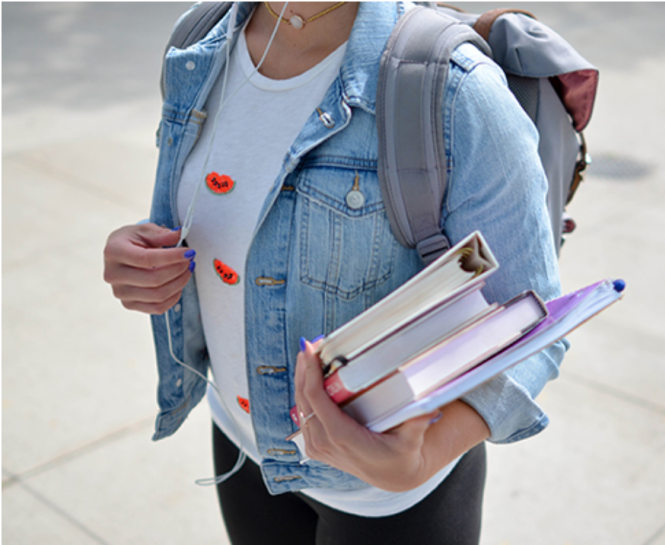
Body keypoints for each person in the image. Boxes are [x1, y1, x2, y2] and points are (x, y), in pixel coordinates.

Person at [103, 2, 568, 543]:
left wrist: (421, 459)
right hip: (241, 442)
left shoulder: (455, 90)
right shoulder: (198, 41)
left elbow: (530, 322)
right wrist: (141, 252)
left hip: (392, 499)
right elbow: (228, 210)